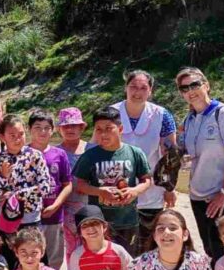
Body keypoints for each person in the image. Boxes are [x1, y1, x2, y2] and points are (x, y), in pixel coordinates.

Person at [176, 67, 224, 269]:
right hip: (198, 195)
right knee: (210, 249)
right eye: (184, 88)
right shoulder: (189, 120)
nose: (190, 90)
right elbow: (190, 156)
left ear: (206, 85)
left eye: (195, 84)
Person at [72, 107, 152, 254]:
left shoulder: (134, 153)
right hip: (99, 223)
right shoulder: (89, 156)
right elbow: (79, 184)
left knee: (128, 261)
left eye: (109, 128)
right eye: (98, 129)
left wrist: (134, 191)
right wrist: (99, 191)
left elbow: (146, 180)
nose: (103, 134)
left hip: (128, 220)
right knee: (102, 260)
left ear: (120, 129)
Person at [112, 71, 178, 247]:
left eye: (143, 88)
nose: (137, 92)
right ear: (125, 88)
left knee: (148, 241)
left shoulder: (162, 115)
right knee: (121, 243)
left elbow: (169, 155)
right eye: (133, 86)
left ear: (150, 91)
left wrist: (169, 187)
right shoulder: (111, 113)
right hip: (117, 187)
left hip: (152, 188)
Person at [0, 114, 52, 269]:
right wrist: (4, 177)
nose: (17, 139)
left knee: (34, 259)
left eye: (21, 134)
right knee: (9, 260)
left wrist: (16, 196)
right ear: (2, 137)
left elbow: (44, 187)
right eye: (12, 135)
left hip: (30, 219)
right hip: (6, 220)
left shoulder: (35, 156)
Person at [27, 109, 74, 270]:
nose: (42, 131)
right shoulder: (23, 154)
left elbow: (68, 184)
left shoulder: (59, 154)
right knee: (30, 256)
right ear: (29, 130)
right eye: (37, 127)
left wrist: (56, 205)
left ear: (53, 130)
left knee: (54, 259)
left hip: (54, 216)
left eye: (47, 127)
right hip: (29, 217)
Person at [56, 107, 94, 251]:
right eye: (66, 126)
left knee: (92, 245)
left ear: (82, 128)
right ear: (59, 129)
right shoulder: (55, 152)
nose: (70, 129)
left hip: (91, 206)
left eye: (74, 126)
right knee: (71, 249)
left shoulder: (93, 149)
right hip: (65, 208)